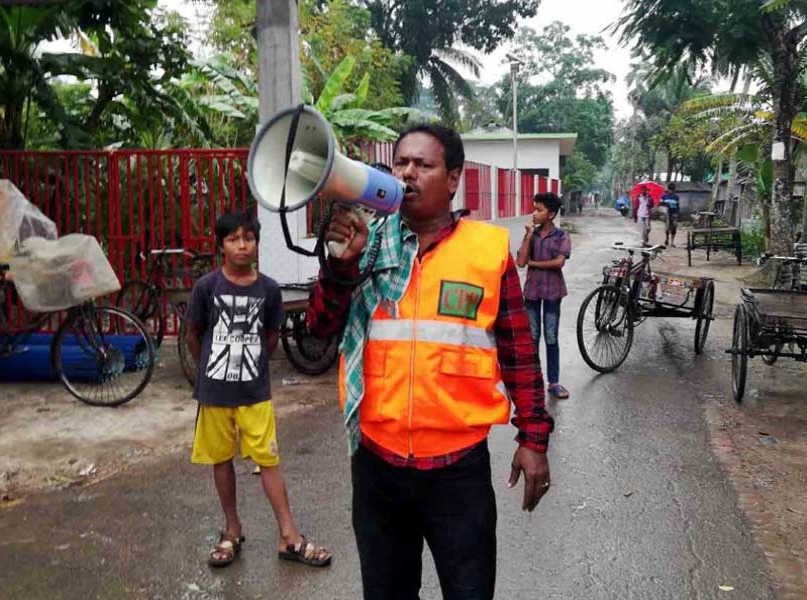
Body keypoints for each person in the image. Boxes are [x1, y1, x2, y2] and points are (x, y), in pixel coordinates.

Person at [308, 124, 553, 599]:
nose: (408, 174)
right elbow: (319, 333)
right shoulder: (368, 243)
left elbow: (518, 351)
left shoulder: (485, 250)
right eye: (401, 163)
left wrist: (534, 438)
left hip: (458, 474)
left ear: (454, 178)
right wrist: (341, 265)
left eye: (424, 165)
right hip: (378, 466)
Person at [184, 211, 331, 569]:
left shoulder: (268, 289)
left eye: (248, 238)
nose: (242, 245)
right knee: (221, 459)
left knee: (268, 460)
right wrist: (210, 372)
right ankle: (232, 530)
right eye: (233, 239)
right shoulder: (206, 287)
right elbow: (193, 335)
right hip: (214, 393)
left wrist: (251, 368)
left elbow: (271, 338)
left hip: (254, 392)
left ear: (256, 244)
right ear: (221, 245)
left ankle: (289, 536)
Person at [516, 192, 571, 400]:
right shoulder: (532, 235)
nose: (534, 213)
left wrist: (534, 263)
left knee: (551, 337)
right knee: (532, 338)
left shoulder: (561, 236)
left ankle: (554, 382)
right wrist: (529, 235)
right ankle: (532, 379)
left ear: (551, 214)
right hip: (532, 292)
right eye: (534, 209)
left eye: (539, 210)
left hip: (552, 293)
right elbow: (521, 262)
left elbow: (559, 263)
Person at [660, 183, 680, 247]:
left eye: (672, 190)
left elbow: (678, 206)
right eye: (670, 190)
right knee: (667, 228)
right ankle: (667, 239)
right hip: (666, 214)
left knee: (674, 228)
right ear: (668, 189)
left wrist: (677, 214)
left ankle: (672, 242)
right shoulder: (664, 196)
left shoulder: (676, 197)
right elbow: (660, 205)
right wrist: (662, 214)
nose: (671, 191)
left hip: (674, 214)